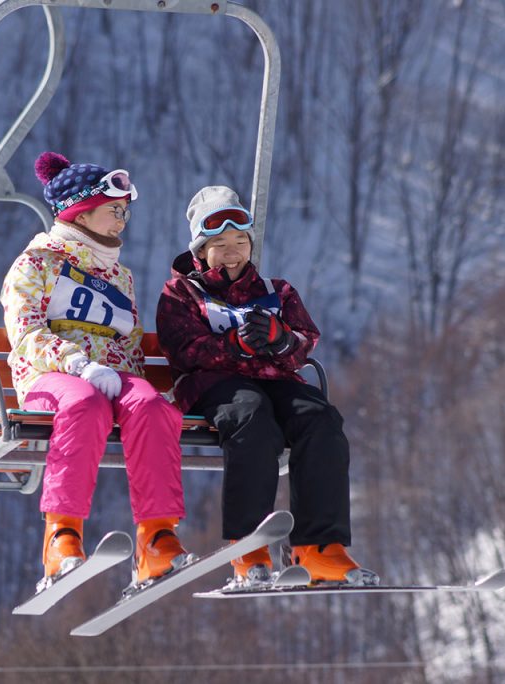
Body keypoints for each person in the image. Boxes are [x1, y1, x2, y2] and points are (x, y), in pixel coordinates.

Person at [155, 185, 378, 586]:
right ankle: (248, 546)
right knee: (251, 418)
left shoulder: (277, 292)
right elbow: (183, 351)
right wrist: (233, 345)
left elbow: (305, 341)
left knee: (321, 418)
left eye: (240, 242)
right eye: (220, 245)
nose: (232, 252)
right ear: (201, 251)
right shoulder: (182, 293)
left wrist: (282, 340)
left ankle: (319, 546)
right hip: (215, 384)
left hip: (276, 379)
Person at [1, 152, 192, 590]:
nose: (123, 220)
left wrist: (134, 385)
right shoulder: (36, 263)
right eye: (113, 210)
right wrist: (78, 363)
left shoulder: (120, 276)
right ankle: (62, 536)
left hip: (110, 376)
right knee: (84, 403)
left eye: (125, 211)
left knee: (150, 407)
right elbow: (26, 333)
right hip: (50, 376)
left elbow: (127, 340)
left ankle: (157, 537)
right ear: (81, 212)